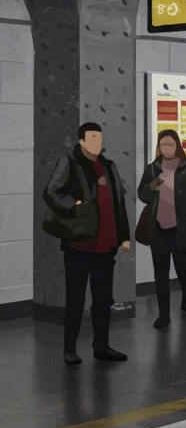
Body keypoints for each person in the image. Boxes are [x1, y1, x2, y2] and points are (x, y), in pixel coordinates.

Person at [42, 122, 132, 365]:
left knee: (103, 300)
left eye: (100, 137)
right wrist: (73, 205)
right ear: (81, 140)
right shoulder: (69, 162)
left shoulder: (109, 166)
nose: (98, 141)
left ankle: (101, 347)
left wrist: (124, 235)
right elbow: (51, 192)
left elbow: (118, 203)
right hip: (79, 245)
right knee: (75, 299)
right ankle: (69, 349)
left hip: (105, 246)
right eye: (93, 136)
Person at [138, 131, 186, 329]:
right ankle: (164, 314)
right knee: (160, 273)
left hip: (180, 230)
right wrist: (151, 187)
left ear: (177, 146)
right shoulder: (152, 169)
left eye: (169, 144)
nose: (166, 148)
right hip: (158, 229)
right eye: (162, 144)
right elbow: (141, 194)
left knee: (182, 270)